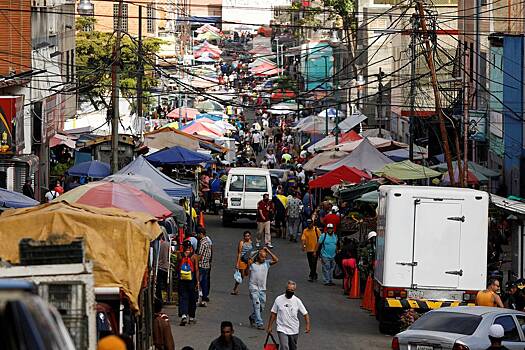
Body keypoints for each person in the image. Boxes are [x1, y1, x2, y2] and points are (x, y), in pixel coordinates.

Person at [267, 281, 311, 350]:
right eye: (288, 290)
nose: (290, 291)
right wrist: (269, 326)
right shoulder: (278, 299)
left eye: (292, 290)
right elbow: (273, 313)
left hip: (294, 329)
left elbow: (305, 314)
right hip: (282, 328)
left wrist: (307, 326)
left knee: (292, 348)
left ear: (294, 291)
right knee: (284, 347)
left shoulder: (297, 301)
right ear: (285, 289)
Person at [246, 247, 279, 330]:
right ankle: (259, 323)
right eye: (262, 257)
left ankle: (253, 317)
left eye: (265, 257)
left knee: (262, 306)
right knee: (257, 304)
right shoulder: (252, 264)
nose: (264, 259)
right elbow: (246, 273)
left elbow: (276, 260)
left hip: (262, 289)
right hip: (253, 288)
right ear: (258, 256)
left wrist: (268, 250)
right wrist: (248, 264)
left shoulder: (266, 264)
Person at [178, 240, 200, 326]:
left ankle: (184, 316)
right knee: (192, 298)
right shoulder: (194, 256)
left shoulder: (180, 255)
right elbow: (197, 269)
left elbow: (177, 267)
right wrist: (197, 282)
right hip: (192, 279)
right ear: (190, 247)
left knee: (183, 297)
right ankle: (191, 317)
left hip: (182, 280)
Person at [232, 231, 253, 295]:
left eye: (248, 236)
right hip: (242, 260)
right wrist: (237, 263)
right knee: (242, 275)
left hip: (249, 261)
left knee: (248, 274)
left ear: (250, 236)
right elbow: (239, 253)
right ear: (244, 237)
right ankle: (235, 288)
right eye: (246, 236)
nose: (247, 237)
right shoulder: (242, 243)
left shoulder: (251, 242)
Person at [197, 228, 213, 306]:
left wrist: (195, 263)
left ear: (201, 234)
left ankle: (202, 298)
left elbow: (200, 255)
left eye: (198, 234)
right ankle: (204, 297)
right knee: (205, 282)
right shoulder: (208, 241)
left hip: (202, 265)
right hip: (207, 265)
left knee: (201, 282)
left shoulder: (203, 243)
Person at [156, 234, 170, 301]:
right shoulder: (166, 244)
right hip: (164, 267)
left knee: (158, 285)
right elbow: (167, 257)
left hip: (158, 267)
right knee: (164, 284)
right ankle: (165, 298)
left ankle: (160, 299)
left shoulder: (156, 245)